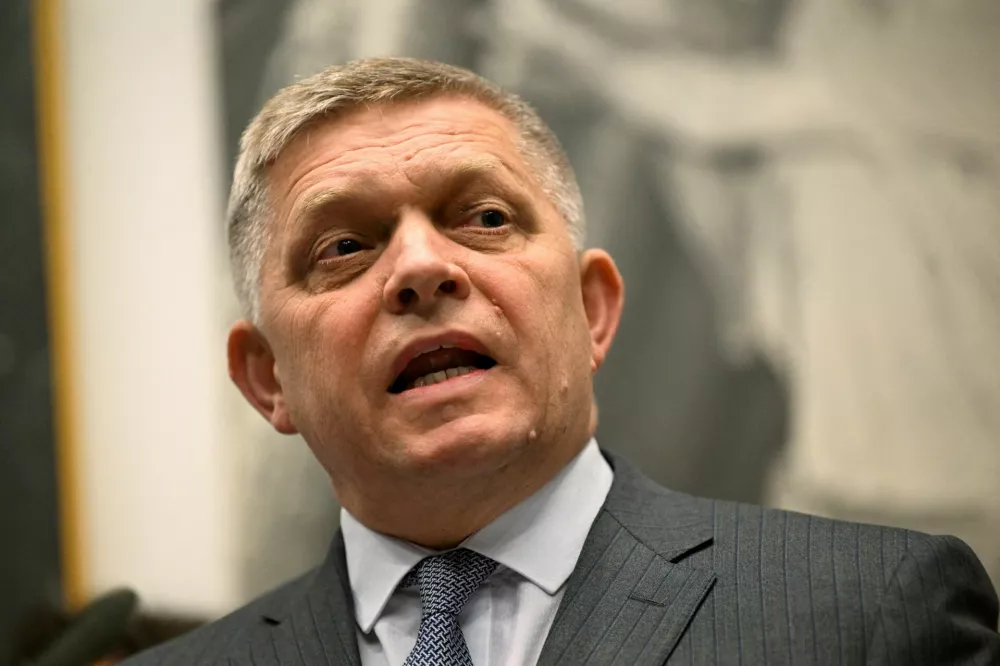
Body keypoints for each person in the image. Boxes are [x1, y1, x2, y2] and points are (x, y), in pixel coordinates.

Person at [123, 57, 999, 665]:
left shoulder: (869, 615)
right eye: (347, 244)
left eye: (487, 219)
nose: (423, 268)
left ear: (592, 311)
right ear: (268, 378)